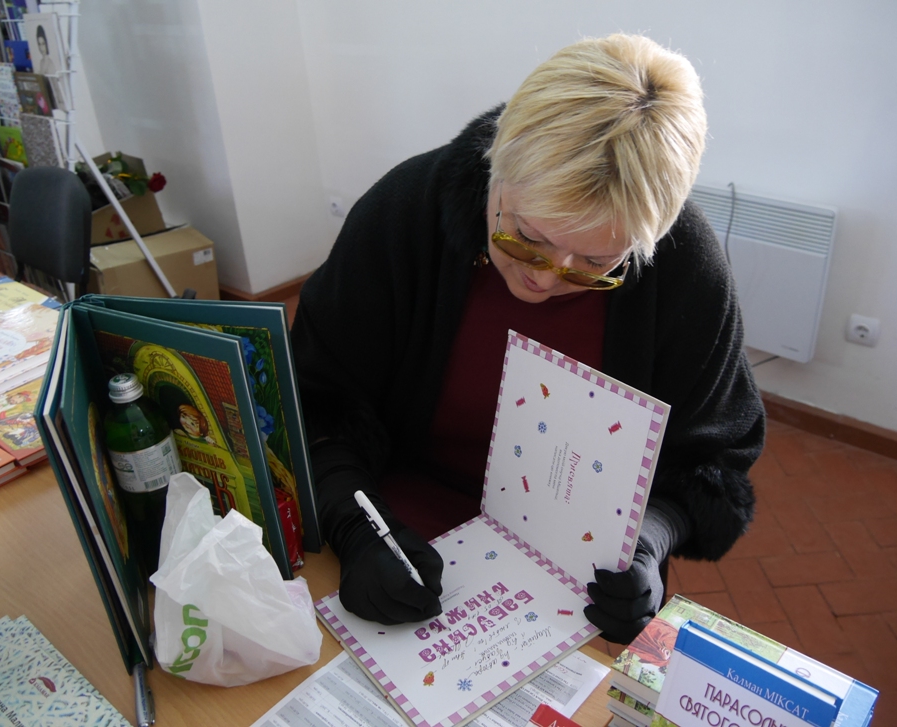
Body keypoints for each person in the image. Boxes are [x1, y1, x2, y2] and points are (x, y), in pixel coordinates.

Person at [291, 33, 765, 643]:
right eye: (525, 238)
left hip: (582, 568)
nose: (544, 279)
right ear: (496, 167)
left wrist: (650, 541)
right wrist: (354, 525)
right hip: (396, 528)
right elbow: (317, 399)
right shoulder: (404, 213)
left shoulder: (685, 270)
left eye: (594, 265)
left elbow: (713, 459)